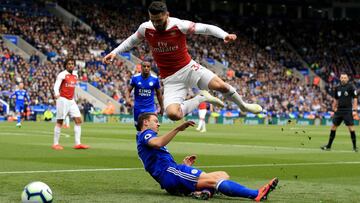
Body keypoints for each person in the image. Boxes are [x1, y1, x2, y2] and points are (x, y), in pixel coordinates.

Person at [103, 1, 262, 122]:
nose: (156, 24)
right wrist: (114, 52)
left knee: (221, 86)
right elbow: (131, 41)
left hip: (189, 68)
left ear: (167, 15)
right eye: (153, 20)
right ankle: (202, 98)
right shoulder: (146, 28)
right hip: (171, 79)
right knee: (173, 114)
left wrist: (224, 35)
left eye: (159, 20)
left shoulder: (179, 25)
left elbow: (205, 28)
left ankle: (243, 106)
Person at [136, 112, 278, 201]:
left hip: (173, 174)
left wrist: (185, 166)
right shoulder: (145, 134)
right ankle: (256, 194)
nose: (158, 123)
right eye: (155, 121)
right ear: (146, 122)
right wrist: (178, 128)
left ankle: (204, 192)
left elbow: (157, 160)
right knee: (213, 181)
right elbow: (158, 143)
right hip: (171, 174)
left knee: (223, 174)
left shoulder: (144, 138)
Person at [52, 58, 89, 150]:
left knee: (78, 120)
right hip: (62, 100)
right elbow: (56, 86)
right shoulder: (62, 75)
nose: (71, 65)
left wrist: (75, 98)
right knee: (60, 121)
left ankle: (78, 143)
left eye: (72, 64)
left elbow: (73, 88)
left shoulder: (75, 75)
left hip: (71, 100)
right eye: (69, 64)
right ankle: (55, 144)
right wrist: (56, 93)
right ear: (66, 65)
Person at [321, 73, 358, 152]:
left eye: (345, 78)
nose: (343, 79)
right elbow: (336, 99)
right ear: (340, 79)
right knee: (333, 127)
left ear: (347, 79)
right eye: (342, 78)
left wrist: (354, 110)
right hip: (339, 111)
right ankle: (328, 146)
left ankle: (355, 147)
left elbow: (355, 99)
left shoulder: (351, 87)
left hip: (347, 110)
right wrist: (333, 107)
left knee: (351, 128)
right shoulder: (337, 87)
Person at [126, 60, 164, 130]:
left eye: (148, 66)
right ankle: (140, 141)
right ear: (141, 67)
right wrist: (128, 100)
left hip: (150, 108)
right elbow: (128, 90)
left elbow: (159, 94)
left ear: (150, 68)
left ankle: (151, 141)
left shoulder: (155, 79)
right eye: (144, 66)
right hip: (138, 108)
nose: (146, 68)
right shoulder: (135, 78)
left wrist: (162, 107)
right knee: (139, 129)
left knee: (152, 128)